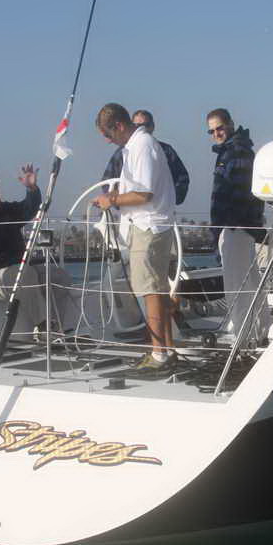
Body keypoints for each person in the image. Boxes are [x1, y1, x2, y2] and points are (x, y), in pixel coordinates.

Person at [93, 103, 177, 371]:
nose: (107, 141)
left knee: (150, 291)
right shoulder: (137, 146)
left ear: (119, 125)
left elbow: (144, 194)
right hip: (151, 227)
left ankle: (158, 355)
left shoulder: (142, 146)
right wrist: (116, 196)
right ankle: (167, 350)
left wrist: (111, 200)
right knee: (158, 290)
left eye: (108, 134)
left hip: (147, 228)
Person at [0, 170, 76, 335]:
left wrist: (31, 189)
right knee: (24, 274)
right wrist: (22, 260)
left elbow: (29, 209)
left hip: (12, 270)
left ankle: (55, 328)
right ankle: (43, 328)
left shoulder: (5, 211)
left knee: (59, 276)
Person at [207, 108, 267, 334]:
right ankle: (261, 330)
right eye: (212, 131)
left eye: (219, 128)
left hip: (235, 227)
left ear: (230, 124)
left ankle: (243, 336)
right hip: (241, 228)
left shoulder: (236, 153)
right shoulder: (235, 151)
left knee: (236, 286)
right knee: (249, 282)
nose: (216, 133)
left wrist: (226, 225)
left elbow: (239, 194)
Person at [100, 109, 189, 205]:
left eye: (146, 125)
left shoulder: (166, 151)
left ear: (153, 126)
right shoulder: (121, 153)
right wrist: (116, 200)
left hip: (155, 210)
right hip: (129, 210)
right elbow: (108, 182)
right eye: (137, 125)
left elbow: (182, 178)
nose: (142, 128)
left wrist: (169, 199)